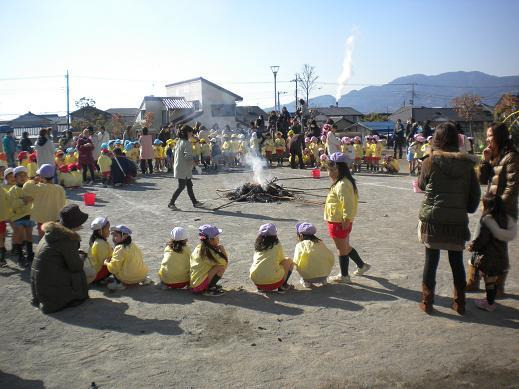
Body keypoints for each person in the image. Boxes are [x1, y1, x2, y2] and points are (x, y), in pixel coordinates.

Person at [417, 122, 480, 314]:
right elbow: (474, 195)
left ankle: (427, 302)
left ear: (436, 139)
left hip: (433, 219)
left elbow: (421, 184)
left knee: (431, 260)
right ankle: (459, 302)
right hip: (456, 220)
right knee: (456, 260)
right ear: (457, 139)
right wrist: (465, 208)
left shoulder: (429, 161)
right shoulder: (468, 165)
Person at [468, 123, 519, 297]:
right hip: (489, 210)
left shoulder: (512, 157)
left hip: (503, 212)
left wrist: (497, 208)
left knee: (498, 249)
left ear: (500, 137)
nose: (488, 139)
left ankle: (497, 287)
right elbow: (483, 180)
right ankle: (473, 281)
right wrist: (485, 161)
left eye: (491, 136)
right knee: (477, 241)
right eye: (487, 136)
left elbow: (512, 187)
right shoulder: (496, 157)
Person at [31, 204, 90, 314]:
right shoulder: (67, 239)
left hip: (40, 290)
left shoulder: (52, 233)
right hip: (52, 295)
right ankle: (74, 296)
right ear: (75, 224)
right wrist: (81, 256)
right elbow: (76, 267)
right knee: (86, 269)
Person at [324, 152, 371, 283]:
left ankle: (344, 276)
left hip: (339, 221)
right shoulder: (343, 182)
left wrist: (346, 219)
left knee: (341, 250)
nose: (328, 173)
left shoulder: (343, 184)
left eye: (329, 170)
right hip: (340, 220)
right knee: (345, 246)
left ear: (336, 169)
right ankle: (362, 266)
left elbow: (348, 204)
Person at [468, 195, 516, 312]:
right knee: (493, 281)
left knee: (489, 282)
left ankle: (489, 303)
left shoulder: (487, 220)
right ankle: (490, 300)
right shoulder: (506, 219)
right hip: (501, 256)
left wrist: (472, 246)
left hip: (488, 257)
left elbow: (482, 239)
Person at [22, 164, 66, 238]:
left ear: (41, 177)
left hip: (42, 218)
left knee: (43, 238)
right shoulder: (60, 188)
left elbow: (26, 187)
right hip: (56, 217)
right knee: (54, 236)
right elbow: (63, 202)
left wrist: (33, 180)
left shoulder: (40, 187)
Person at [249, 223, 294, 293]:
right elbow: (282, 259)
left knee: (260, 264)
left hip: (256, 281)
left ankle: (260, 288)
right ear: (275, 234)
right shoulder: (276, 244)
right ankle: (282, 286)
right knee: (288, 260)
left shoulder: (258, 245)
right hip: (274, 283)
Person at [168, 125, 203, 210]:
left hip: (181, 167)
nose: (192, 134)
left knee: (189, 185)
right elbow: (188, 157)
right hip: (183, 168)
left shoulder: (179, 141)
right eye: (191, 132)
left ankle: (195, 202)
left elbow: (174, 152)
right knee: (181, 186)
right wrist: (197, 166)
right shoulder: (186, 143)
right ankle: (171, 203)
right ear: (187, 132)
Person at [105, 225, 150, 291]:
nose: (113, 238)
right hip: (142, 275)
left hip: (128, 279)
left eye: (116, 236)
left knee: (112, 264)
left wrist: (106, 263)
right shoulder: (133, 244)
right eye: (113, 236)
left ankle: (119, 284)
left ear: (125, 236)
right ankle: (145, 279)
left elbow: (114, 268)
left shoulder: (119, 248)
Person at [293, 222, 334, 288]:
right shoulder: (320, 242)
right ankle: (323, 280)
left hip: (308, 277)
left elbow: (296, 261)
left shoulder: (300, 245)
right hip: (325, 275)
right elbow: (331, 257)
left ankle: (305, 281)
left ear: (301, 235)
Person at [190, 224, 228, 296]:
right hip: (198, 286)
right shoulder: (209, 252)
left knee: (216, 266)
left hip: (194, 282)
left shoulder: (199, 248)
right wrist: (222, 250)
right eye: (217, 237)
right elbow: (225, 263)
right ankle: (209, 288)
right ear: (211, 239)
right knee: (221, 268)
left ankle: (208, 285)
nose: (218, 239)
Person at [7, 166, 34, 267]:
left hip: (29, 214)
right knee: (19, 233)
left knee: (29, 235)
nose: (22, 177)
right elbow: (12, 204)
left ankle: (30, 254)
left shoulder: (29, 188)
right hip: (17, 217)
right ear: (15, 177)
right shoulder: (12, 190)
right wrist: (23, 200)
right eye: (19, 175)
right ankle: (20, 256)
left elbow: (35, 198)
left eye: (24, 175)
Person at [86, 216, 112, 283]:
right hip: (96, 275)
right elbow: (104, 262)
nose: (109, 231)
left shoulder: (98, 241)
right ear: (99, 231)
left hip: (96, 270)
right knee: (118, 261)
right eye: (107, 228)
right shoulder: (100, 244)